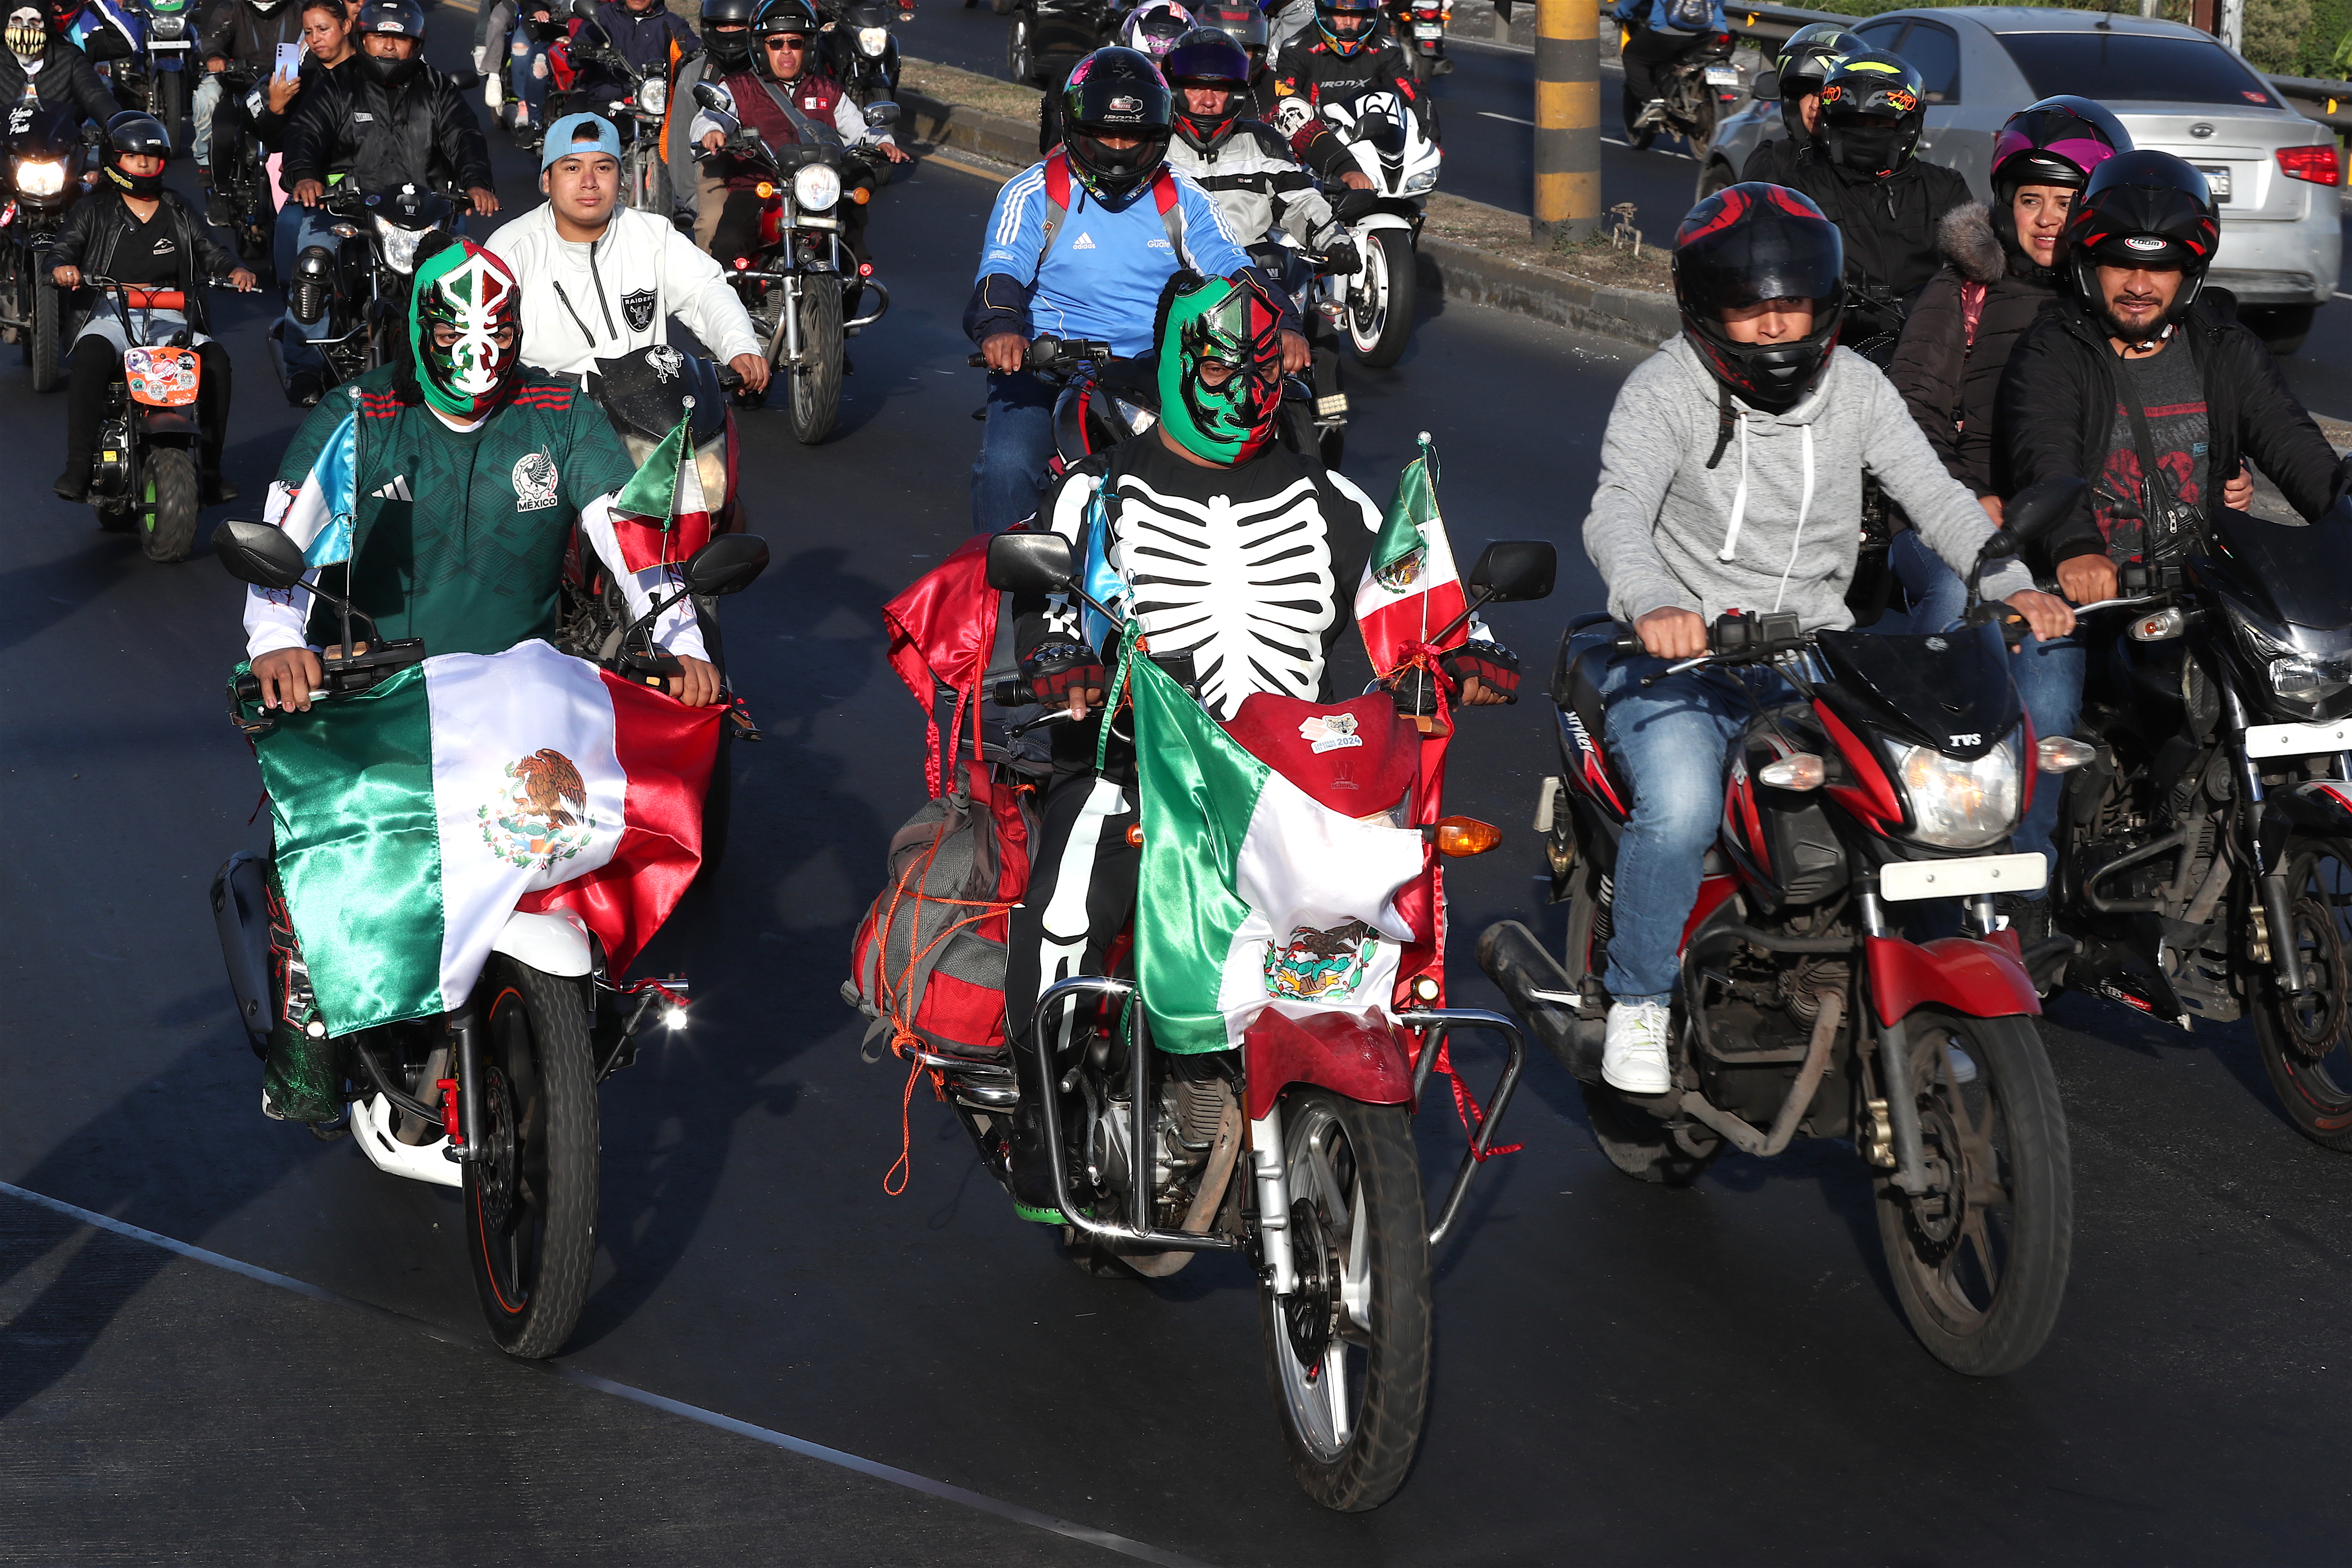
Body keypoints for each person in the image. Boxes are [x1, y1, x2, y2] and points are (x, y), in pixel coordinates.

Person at [995, 270, 1518, 1207]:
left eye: (1261, 362)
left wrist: (1473, 645)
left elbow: (1418, 598)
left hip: (1296, 788)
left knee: (1395, 913)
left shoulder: (1332, 499)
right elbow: (1048, 608)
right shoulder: (1096, 493)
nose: (1245, 384)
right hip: (1135, 770)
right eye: (1223, 363)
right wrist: (1062, 659)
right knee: (1067, 918)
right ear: (1173, 364)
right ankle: (1044, 1131)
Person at [1579, 182, 2073, 1093]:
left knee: (1921, 793)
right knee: (1685, 801)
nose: (1776, 330)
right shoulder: (1665, 390)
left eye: (1794, 308)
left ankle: (1938, 992)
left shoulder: (1855, 388)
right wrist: (1652, 601)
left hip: (1816, 652)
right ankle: (1641, 1002)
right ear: (1707, 311)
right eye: (1752, 310)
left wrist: (2011, 584)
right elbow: (1617, 516)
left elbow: (1936, 501)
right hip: (1684, 659)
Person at [241, 234, 718, 1121]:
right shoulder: (359, 414)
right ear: (417, 332)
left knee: (595, 817)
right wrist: (276, 639)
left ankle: (575, 1008)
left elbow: (635, 542)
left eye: (494, 340)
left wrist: (685, 641)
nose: (475, 365)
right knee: (320, 834)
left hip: (522, 683)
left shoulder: (560, 413)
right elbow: (282, 548)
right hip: (380, 690)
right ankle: (309, 1010)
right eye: (456, 343)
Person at [1995, 150, 2348, 937]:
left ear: (2188, 275)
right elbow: (2043, 457)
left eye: (2158, 269)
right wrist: (2077, 547)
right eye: (2120, 262)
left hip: (2206, 590)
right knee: (2047, 716)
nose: (2137, 285)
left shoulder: (2224, 345)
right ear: (2090, 263)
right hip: (2087, 598)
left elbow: (2294, 447)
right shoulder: (2052, 349)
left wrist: (2341, 505)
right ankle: (2015, 921)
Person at [965, 45, 1278, 536]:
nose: (1118, 149)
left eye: (1132, 136)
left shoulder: (1185, 197)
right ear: (1075, 130)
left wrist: (1287, 326)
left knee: (1245, 462)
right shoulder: (1033, 193)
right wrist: (1002, 331)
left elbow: (1234, 268)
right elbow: (999, 276)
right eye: (1105, 134)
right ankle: (1001, 599)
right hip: (1047, 367)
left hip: (1158, 371)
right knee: (1006, 465)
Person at [277, 0, 499, 405]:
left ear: (416, 43)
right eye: (381, 36)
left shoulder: (436, 87)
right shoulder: (336, 84)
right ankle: (304, 364)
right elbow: (305, 132)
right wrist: (305, 175)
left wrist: (477, 182)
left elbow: (465, 136)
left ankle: (471, 358)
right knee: (314, 261)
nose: (389, 47)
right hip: (348, 211)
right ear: (363, 38)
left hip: (425, 213)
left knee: (468, 274)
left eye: (400, 38)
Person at [49, 112, 258, 503]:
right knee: (91, 357)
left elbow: (211, 250)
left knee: (215, 361)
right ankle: (78, 466)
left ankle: (211, 471)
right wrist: (62, 268)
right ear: (115, 160)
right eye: (132, 157)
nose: (142, 164)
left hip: (171, 312)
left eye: (149, 156)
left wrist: (235, 269)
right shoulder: (92, 210)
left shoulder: (178, 209)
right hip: (108, 309)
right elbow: (63, 250)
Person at [488, 111, 766, 391]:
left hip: (647, 412)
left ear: (621, 177)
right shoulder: (509, 252)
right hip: (548, 415)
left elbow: (706, 291)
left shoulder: (654, 236)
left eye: (603, 168)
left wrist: (739, 346)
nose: (589, 182)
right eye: (572, 168)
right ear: (547, 180)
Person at [689, 0, 906, 273]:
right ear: (761, 48)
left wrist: (883, 142)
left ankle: (847, 298)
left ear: (809, 48)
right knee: (728, 244)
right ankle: (724, 306)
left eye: (796, 43)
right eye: (776, 44)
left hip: (819, 189)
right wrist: (712, 131)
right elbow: (709, 116)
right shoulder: (740, 87)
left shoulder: (829, 91)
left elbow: (860, 127)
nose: (787, 52)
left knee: (857, 256)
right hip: (760, 185)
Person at [1779, 49, 1967, 352]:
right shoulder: (1802, 189)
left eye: (1879, 124)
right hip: (1839, 350)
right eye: (1853, 122)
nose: (1865, 134)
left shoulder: (1945, 188)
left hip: (1930, 347)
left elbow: (1974, 281)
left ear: (1907, 126)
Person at [1270, 0, 1431, 190]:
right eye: (1340, 15)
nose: (1348, 23)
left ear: (1368, 17)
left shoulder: (1385, 49)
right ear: (1325, 14)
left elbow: (1414, 93)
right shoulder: (1297, 50)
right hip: (1318, 153)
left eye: (1356, 16)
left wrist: (1429, 134)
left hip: (1374, 150)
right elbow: (1283, 103)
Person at [195, 0, 305, 226]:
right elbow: (214, 36)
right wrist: (215, 56)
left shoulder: (299, 8)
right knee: (223, 133)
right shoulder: (232, 8)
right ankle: (221, 192)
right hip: (241, 89)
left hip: (288, 92)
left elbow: (313, 38)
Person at [668, 0, 752, 248]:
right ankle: (715, 284)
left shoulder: (770, 66)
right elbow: (680, 147)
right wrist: (694, 198)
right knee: (713, 227)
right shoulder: (693, 76)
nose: (729, 33)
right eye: (721, 26)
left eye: (737, 25)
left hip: (772, 169)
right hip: (718, 171)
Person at [1739, 21, 1859, 185]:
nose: (1815, 105)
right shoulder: (1775, 160)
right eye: (1807, 93)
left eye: (1826, 95)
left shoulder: (1873, 166)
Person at [0, 3, 124, 131]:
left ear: (45, 24)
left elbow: (95, 96)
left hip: (60, 146)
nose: (25, 28)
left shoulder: (69, 58)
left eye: (35, 21)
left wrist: (117, 125)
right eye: (16, 20)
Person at [1611, 0, 1726, 136]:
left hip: (1668, 32)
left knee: (1632, 56)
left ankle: (1652, 101)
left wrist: (1621, 13)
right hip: (1712, 32)